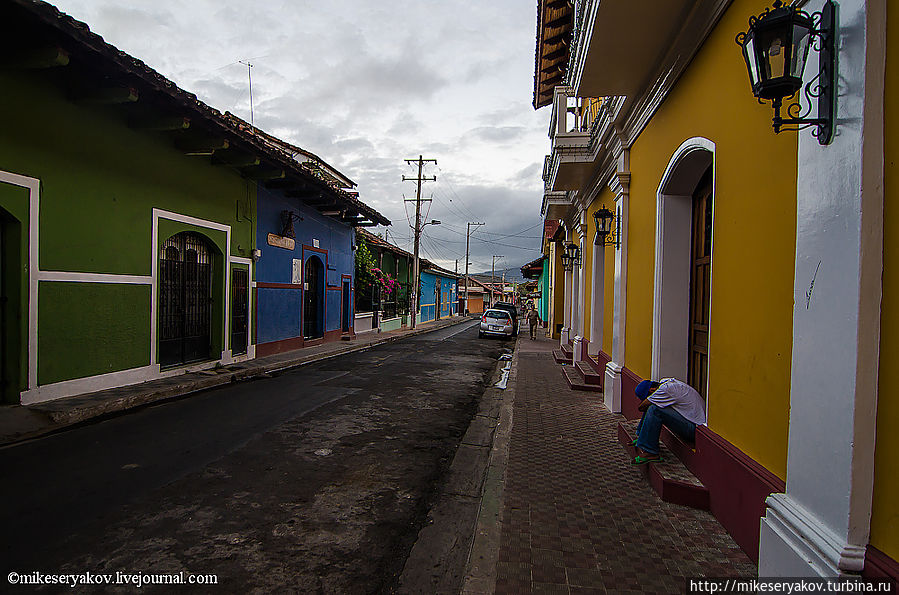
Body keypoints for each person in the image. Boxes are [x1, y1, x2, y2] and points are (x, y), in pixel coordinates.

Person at [631, 378, 706, 465]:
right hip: (691, 422)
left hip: (694, 430)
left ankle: (650, 451)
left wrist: (649, 400)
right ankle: (642, 437)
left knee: (653, 408)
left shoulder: (666, 390)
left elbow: (641, 407)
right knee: (653, 404)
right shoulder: (666, 382)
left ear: (652, 390)